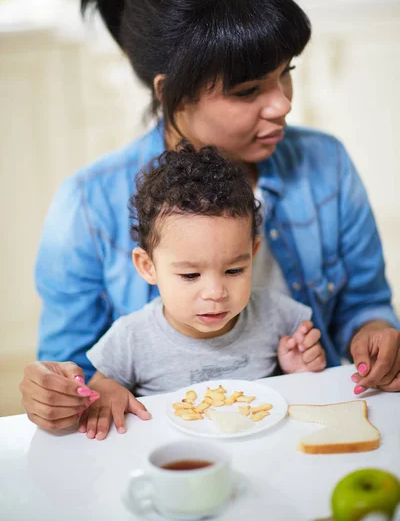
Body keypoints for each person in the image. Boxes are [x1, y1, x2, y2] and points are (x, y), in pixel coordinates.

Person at [20, 0, 400, 432]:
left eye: (286, 74)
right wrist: (57, 391)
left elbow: (363, 301)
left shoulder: (326, 163)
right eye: (247, 91)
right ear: (168, 92)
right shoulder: (87, 205)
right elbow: (71, 366)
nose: (281, 104)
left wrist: (375, 332)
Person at [81, 142, 326, 439]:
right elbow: (99, 390)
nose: (215, 292)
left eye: (234, 270)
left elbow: (301, 403)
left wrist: (297, 373)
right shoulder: (132, 337)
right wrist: (105, 392)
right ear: (147, 266)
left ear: (253, 252)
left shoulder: (278, 316)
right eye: (190, 274)